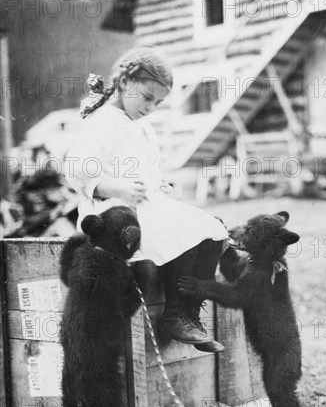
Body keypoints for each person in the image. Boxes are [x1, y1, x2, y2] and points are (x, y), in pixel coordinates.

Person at [65, 47, 228, 352]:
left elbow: (148, 168)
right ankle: (177, 313)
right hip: (112, 213)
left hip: (144, 203)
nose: (151, 107)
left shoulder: (141, 125)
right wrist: (115, 188)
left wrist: (158, 184)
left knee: (210, 228)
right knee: (177, 230)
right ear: (125, 82)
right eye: (147, 98)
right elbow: (75, 170)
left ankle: (184, 312)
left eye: (158, 102)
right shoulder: (103, 121)